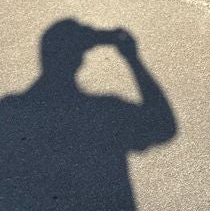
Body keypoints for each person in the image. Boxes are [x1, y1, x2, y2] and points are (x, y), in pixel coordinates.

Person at [0, 19, 177, 210]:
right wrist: (133, 59)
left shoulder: (9, 110)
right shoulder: (107, 112)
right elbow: (164, 127)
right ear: (79, 60)